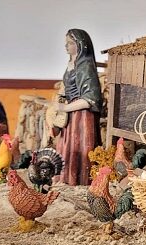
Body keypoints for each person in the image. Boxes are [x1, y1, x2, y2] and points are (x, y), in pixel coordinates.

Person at [55, 28, 103, 186]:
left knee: (80, 143)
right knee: (68, 144)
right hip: (71, 112)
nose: (66, 46)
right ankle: (68, 177)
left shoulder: (85, 66)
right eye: (66, 43)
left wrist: (65, 108)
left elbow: (90, 98)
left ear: (80, 45)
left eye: (70, 43)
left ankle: (81, 179)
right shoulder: (71, 64)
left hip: (82, 115)